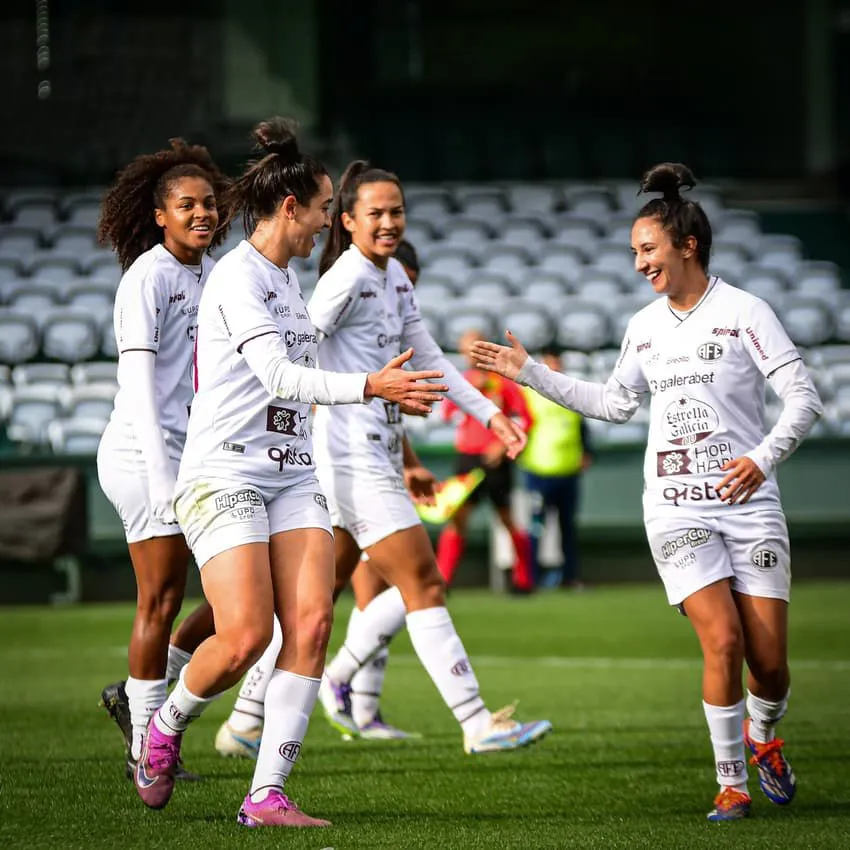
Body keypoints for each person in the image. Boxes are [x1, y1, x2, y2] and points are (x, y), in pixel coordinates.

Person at [471, 162, 823, 821]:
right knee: (722, 641)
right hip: (675, 506)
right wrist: (529, 375)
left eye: (648, 250)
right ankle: (731, 784)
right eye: (634, 253)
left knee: (769, 666)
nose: (638, 265)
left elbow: (804, 398)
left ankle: (763, 733)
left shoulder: (747, 312)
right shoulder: (644, 326)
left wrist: (761, 457)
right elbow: (611, 402)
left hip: (750, 505)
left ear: (687, 246)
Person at [131, 118, 448, 827]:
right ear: (289, 209)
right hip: (226, 472)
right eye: (325, 208)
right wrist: (371, 387)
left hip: (293, 472)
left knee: (309, 626)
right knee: (244, 636)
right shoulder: (239, 277)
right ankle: (166, 725)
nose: (329, 222)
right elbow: (277, 374)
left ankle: (266, 793)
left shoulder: (289, 277)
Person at [307, 160, 552, 753]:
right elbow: (294, 352)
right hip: (352, 455)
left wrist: (489, 413)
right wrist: (355, 392)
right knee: (424, 582)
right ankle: (475, 724)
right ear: (348, 220)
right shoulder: (344, 278)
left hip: (373, 454)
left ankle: (226, 715)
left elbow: (435, 360)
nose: (389, 222)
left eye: (397, 211)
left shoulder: (393, 279)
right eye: (376, 214)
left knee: (311, 606)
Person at [214, 240, 426, 756]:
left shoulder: (381, 321)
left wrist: (410, 458)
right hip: (337, 465)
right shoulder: (339, 299)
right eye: (402, 287)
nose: (401, 299)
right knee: (409, 585)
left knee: (320, 603)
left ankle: (250, 719)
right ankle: (339, 682)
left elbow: (382, 405)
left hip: (364, 461)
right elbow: (298, 373)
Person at [95, 138, 230, 780]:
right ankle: (145, 753)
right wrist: (162, 479)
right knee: (161, 599)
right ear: (160, 215)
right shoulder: (146, 277)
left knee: (236, 602)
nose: (202, 214)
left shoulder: (212, 272)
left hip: (194, 453)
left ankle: (136, 699)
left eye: (208, 204)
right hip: (143, 455)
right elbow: (142, 392)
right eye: (187, 205)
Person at [436, 328, 534, 593]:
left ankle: (524, 580)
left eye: (473, 347)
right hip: (467, 458)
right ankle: (442, 580)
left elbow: (525, 418)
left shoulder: (504, 381)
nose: (469, 353)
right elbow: (447, 414)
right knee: (457, 519)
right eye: (465, 348)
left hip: (496, 461)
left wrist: (503, 446)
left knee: (506, 518)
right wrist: (469, 395)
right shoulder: (462, 380)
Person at [518, 344, 594, 589]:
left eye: (558, 362)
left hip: (568, 471)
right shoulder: (529, 394)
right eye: (550, 361)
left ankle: (570, 577)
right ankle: (532, 577)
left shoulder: (570, 390)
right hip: (539, 471)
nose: (555, 366)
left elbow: (582, 425)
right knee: (537, 527)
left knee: (568, 528)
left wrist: (587, 451)